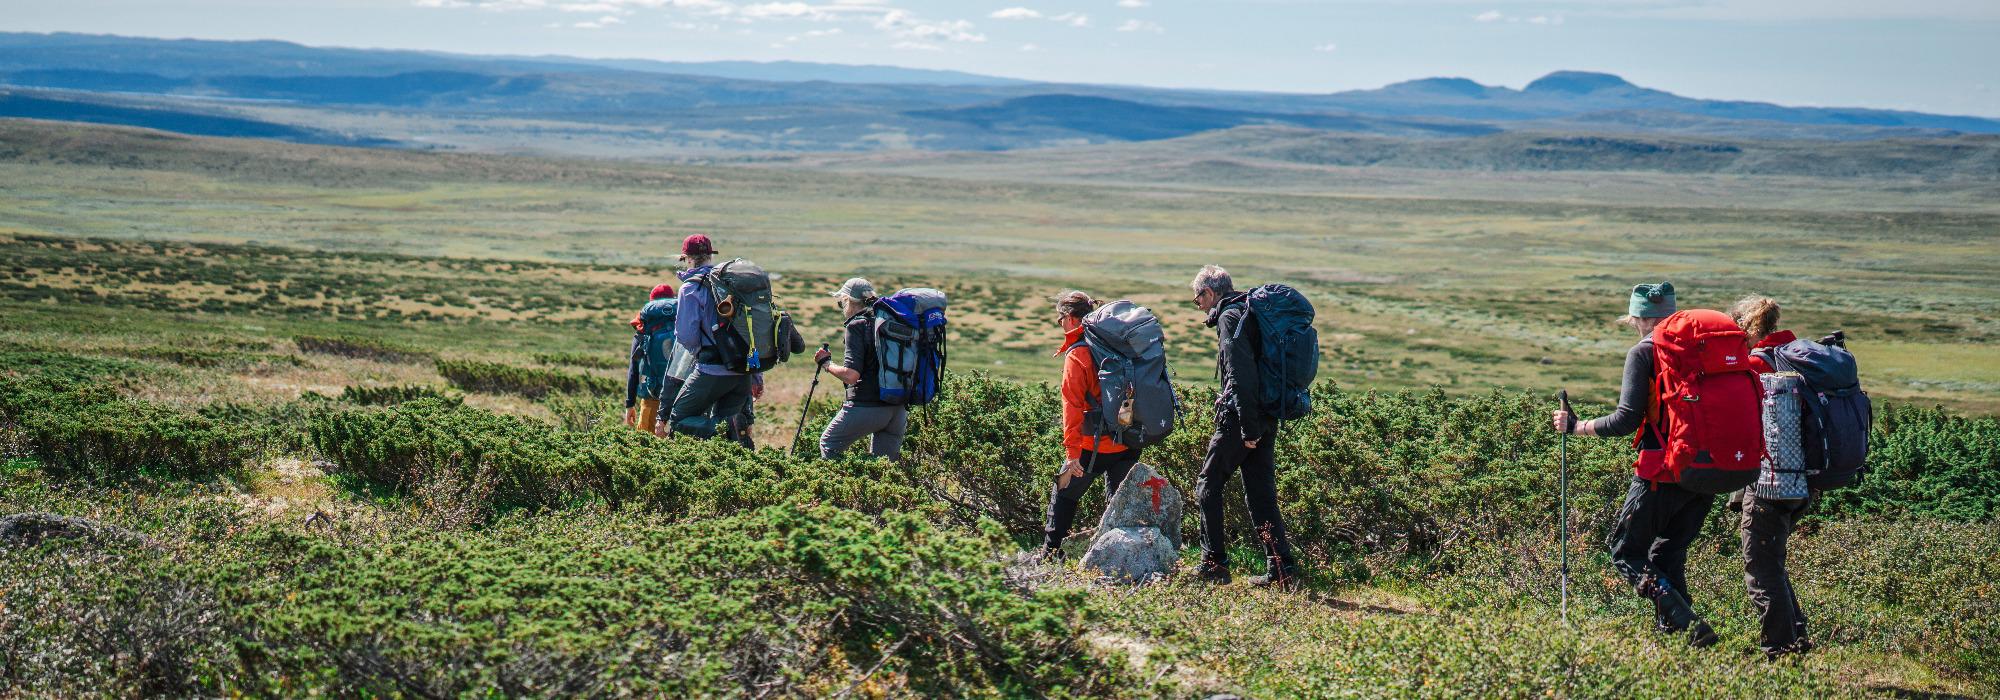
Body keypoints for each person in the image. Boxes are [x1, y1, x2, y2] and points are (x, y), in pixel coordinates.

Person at [1551, 281, 1719, 648]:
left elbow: (1627, 419)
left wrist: (1577, 427)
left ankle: (1689, 625)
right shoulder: (1705, 349)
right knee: (1667, 553)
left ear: (1637, 317)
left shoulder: (1644, 352)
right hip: (1708, 472)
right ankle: (1681, 638)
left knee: (1626, 551)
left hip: (1663, 470)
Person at [1190, 265, 1300, 588]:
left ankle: (1214, 565)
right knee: (1261, 494)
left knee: (1207, 485)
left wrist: (1247, 430)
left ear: (1210, 293)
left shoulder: (1228, 318)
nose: (1199, 306)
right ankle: (1282, 571)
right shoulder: (1249, 312)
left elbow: (1240, 377)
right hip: (1266, 415)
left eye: (1198, 300)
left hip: (1242, 420)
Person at [1729, 294, 1814, 659]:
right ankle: (1796, 639)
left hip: (1770, 482)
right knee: (1772, 562)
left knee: (1761, 569)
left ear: (1743, 327)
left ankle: (1781, 652)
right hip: (1802, 481)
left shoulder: (1755, 364)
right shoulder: (1796, 355)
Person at [1036, 291, 1144, 560]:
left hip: (1092, 448)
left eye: (1060, 319)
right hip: (1128, 439)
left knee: (1064, 493)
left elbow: (1072, 405)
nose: (1060, 324)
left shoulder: (1079, 354)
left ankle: (1050, 555)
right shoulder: (1118, 344)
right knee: (1117, 503)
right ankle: (1121, 559)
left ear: (1072, 319)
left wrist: (1072, 454)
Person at [664, 234, 757, 441]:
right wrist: (757, 374)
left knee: (679, 420)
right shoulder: (732, 284)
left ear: (687, 258)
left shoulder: (690, 288)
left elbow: (686, 337)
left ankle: (728, 429)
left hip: (711, 369)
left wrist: (702, 352)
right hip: (744, 370)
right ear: (709, 257)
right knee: (729, 424)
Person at [812, 278, 908, 460]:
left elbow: (851, 376)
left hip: (867, 405)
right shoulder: (887, 322)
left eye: (841, 302)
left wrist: (826, 364)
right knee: (884, 468)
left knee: (828, 442)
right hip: (898, 408)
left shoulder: (857, 325)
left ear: (847, 300)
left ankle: (839, 487)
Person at [623, 283, 677, 434]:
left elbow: (634, 370)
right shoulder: (683, 323)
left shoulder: (644, 328)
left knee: (646, 448)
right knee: (681, 447)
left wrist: (630, 404)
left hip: (651, 394)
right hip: (680, 396)